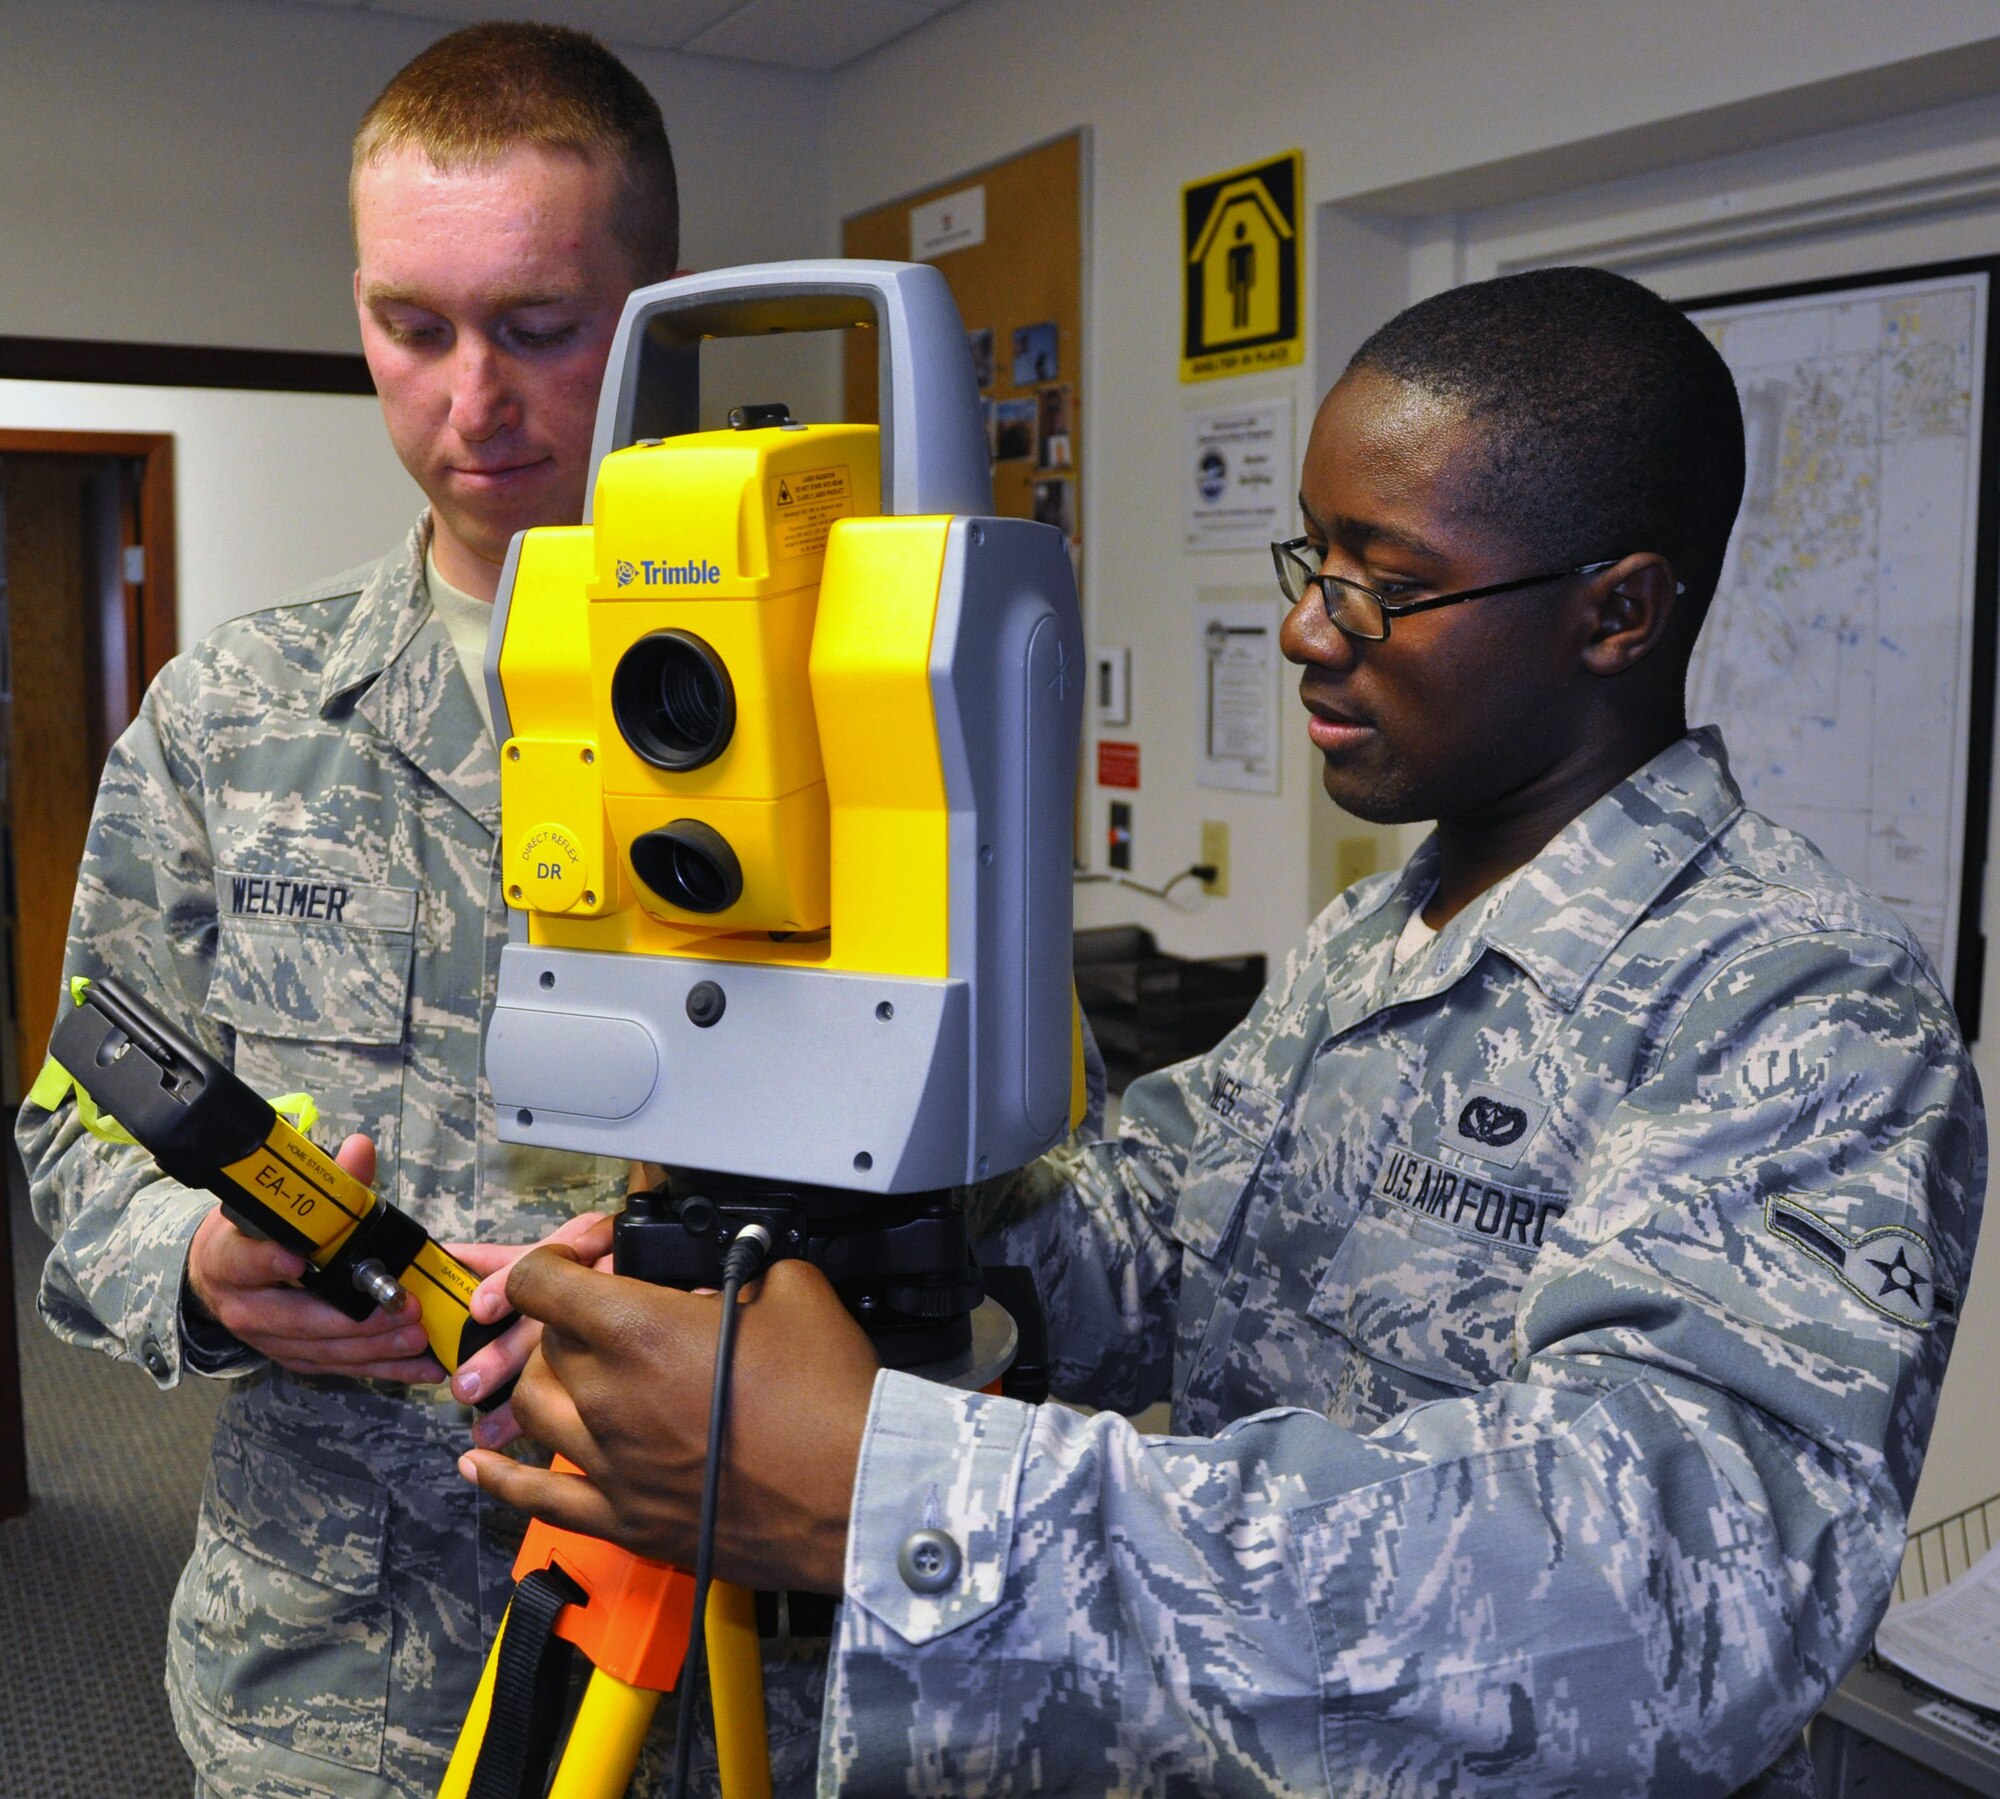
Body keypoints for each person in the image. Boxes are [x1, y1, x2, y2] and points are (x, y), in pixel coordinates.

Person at [463, 266, 1987, 1796]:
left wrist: (888, 1483)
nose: (1305, 630)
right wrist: (817, 1255)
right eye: (1310, 558)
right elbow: (1145, 1244)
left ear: (1618, 614)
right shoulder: (1379, 938)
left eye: (1381, 581)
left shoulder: (1802, 1004)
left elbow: (1672, 1603)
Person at [15, 23, 823, 1799]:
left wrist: (753, 1296)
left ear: (654, 311)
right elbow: (78, 1134)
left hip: (727, 1648)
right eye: (412, 326)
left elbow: (1013, 1197)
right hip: (330, 1665)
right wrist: (211, 1277)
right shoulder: (232, 715)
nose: (473, 399)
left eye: (539, 327)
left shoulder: (844, 690)